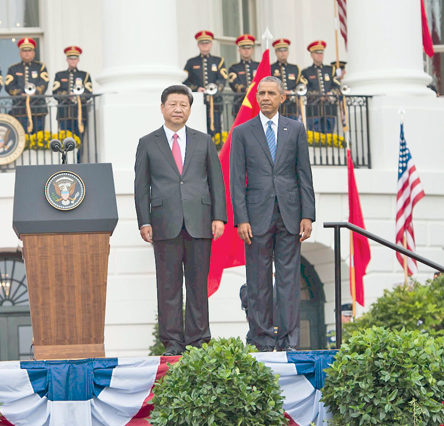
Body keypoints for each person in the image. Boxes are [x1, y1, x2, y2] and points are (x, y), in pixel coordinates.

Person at [134, 85, 226, 356]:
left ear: (189, 109)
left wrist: (219, 217)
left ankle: (199, 341)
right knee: (168, 286)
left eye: (183, 105)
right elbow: (141, 186)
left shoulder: (204, 141)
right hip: (164, 223)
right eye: (173, 104)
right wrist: (144, 221)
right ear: (162, 108)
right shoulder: (147, 142)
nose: (178, 109)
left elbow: (216, 182)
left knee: (198, 286)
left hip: (200, 221)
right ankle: (172, 343)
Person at [230, 76, 316, 352]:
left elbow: (304, 173)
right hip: (255, 217)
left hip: (290, 214)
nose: (265, 97)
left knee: (289, 280)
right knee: (258, 281)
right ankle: (262, 339)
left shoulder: (296, 129)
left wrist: (308, 214)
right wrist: (241, 218)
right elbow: (236, 179)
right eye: (261, 93)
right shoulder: (242, 132)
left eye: (270, 93)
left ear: (282, 97)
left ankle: (289, 340)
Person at [183, 30, 227, 138]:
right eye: (202, 43)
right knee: (198, 128)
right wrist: (196, 89)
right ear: (198, 45)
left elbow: (222, 78)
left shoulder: (218, 61)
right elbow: (185, 81)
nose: (204, 45)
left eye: (207, 43)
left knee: (216, 128)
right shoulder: (191, 62)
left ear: (211, 44)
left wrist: (214, 88)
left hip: (215, 101)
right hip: (197, 101)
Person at [5, 38, 49, 133]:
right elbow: (9, 86)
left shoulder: (40, 67)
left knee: (38, 137)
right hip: (19, 109)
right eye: (24, 51)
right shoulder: (13, 69)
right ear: (20, 53)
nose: (27, 53)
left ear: (33, 53)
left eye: (29, 51)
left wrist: (35, 92)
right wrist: (20, 93)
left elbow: (44, 82)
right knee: (21, 136)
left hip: (38, 108)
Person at [52, 46, 93, 142]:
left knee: (79, 140)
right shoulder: (59, 75)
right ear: (67, 60)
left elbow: (88, 93)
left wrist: (78, 97)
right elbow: (55, 92)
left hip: (80, 114)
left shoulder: (84, 75)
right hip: (64, 114)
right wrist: (67, 95)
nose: (73, 61)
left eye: (75, 59)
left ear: (78, 60)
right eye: (71, 59)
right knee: (66, 140)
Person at [301, 41, 341, 133]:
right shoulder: (306, 72)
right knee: (315, 136)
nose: (319, 55)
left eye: (321, 53)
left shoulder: (331, 70)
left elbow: (337, 85)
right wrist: (319, 95)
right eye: (317, 53)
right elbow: (305, 89)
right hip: (314, 109)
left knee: (329, 135)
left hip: (329, 108)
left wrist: (330, 94)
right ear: (312, 55)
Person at [227, 34, 259, 114]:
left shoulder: (259, 66)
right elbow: (233, 83)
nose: (246, 50)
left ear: (252, 50)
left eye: (248, 48)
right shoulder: (234, 68)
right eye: (244, 48)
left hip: (257, 103)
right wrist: (245, 89)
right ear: (239, 50)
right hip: (240, 103)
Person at [270, 39, 301, 120]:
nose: (283, 53)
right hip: (276, 107)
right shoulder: (270, 68)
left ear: (288, 52)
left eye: (285, 50)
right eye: (280, 51)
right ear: (276, 52)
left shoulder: (295, 68)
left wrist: (292, 92)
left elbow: (300, 85)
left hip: (292, 107)